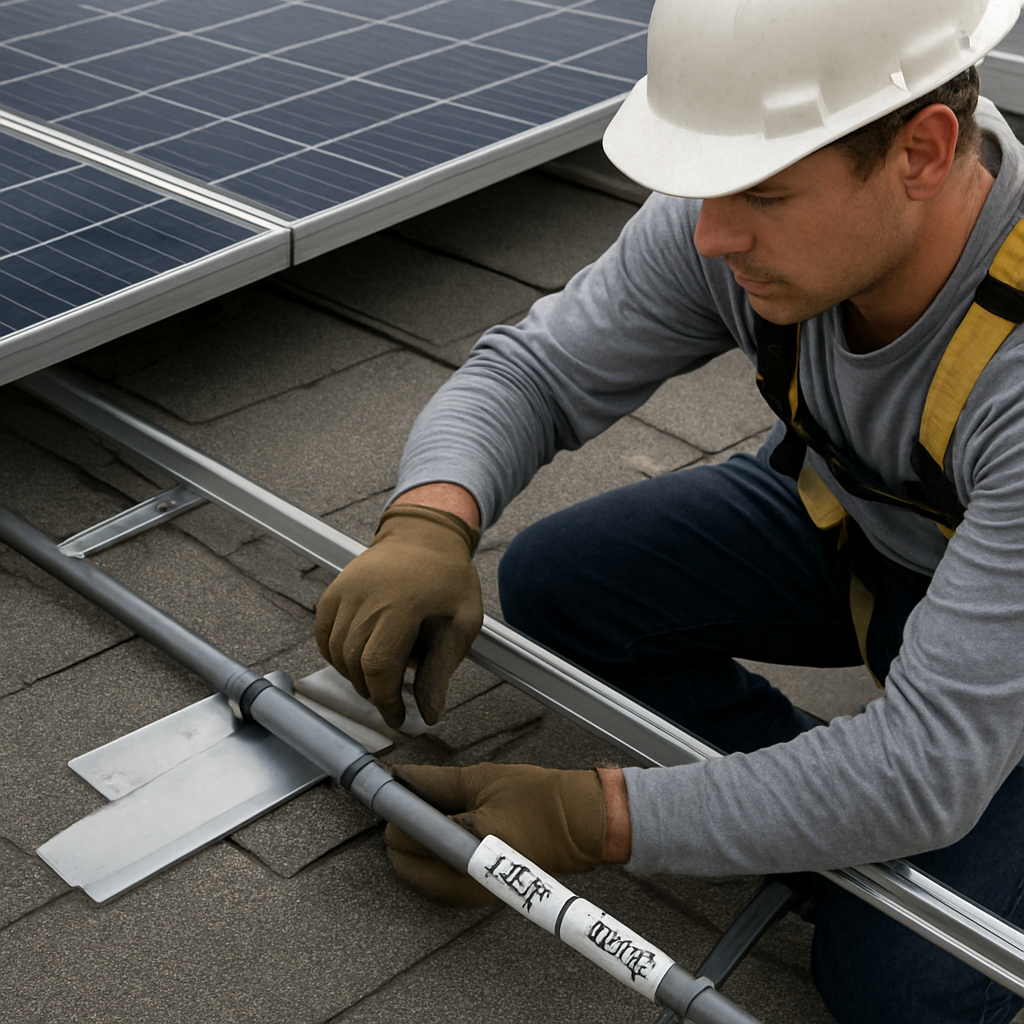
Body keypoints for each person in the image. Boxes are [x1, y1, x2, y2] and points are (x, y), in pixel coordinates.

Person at [314, 0, 1024, 1020]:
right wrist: (429, 519)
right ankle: (812, 810)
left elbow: (925, 769)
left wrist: (592, 817)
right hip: (878, 533)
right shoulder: (739, 214)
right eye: (703, 187)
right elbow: (537, 370)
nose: (710, 233)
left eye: (764, 196)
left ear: (922, 151)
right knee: (563, 584)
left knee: (904, 984)